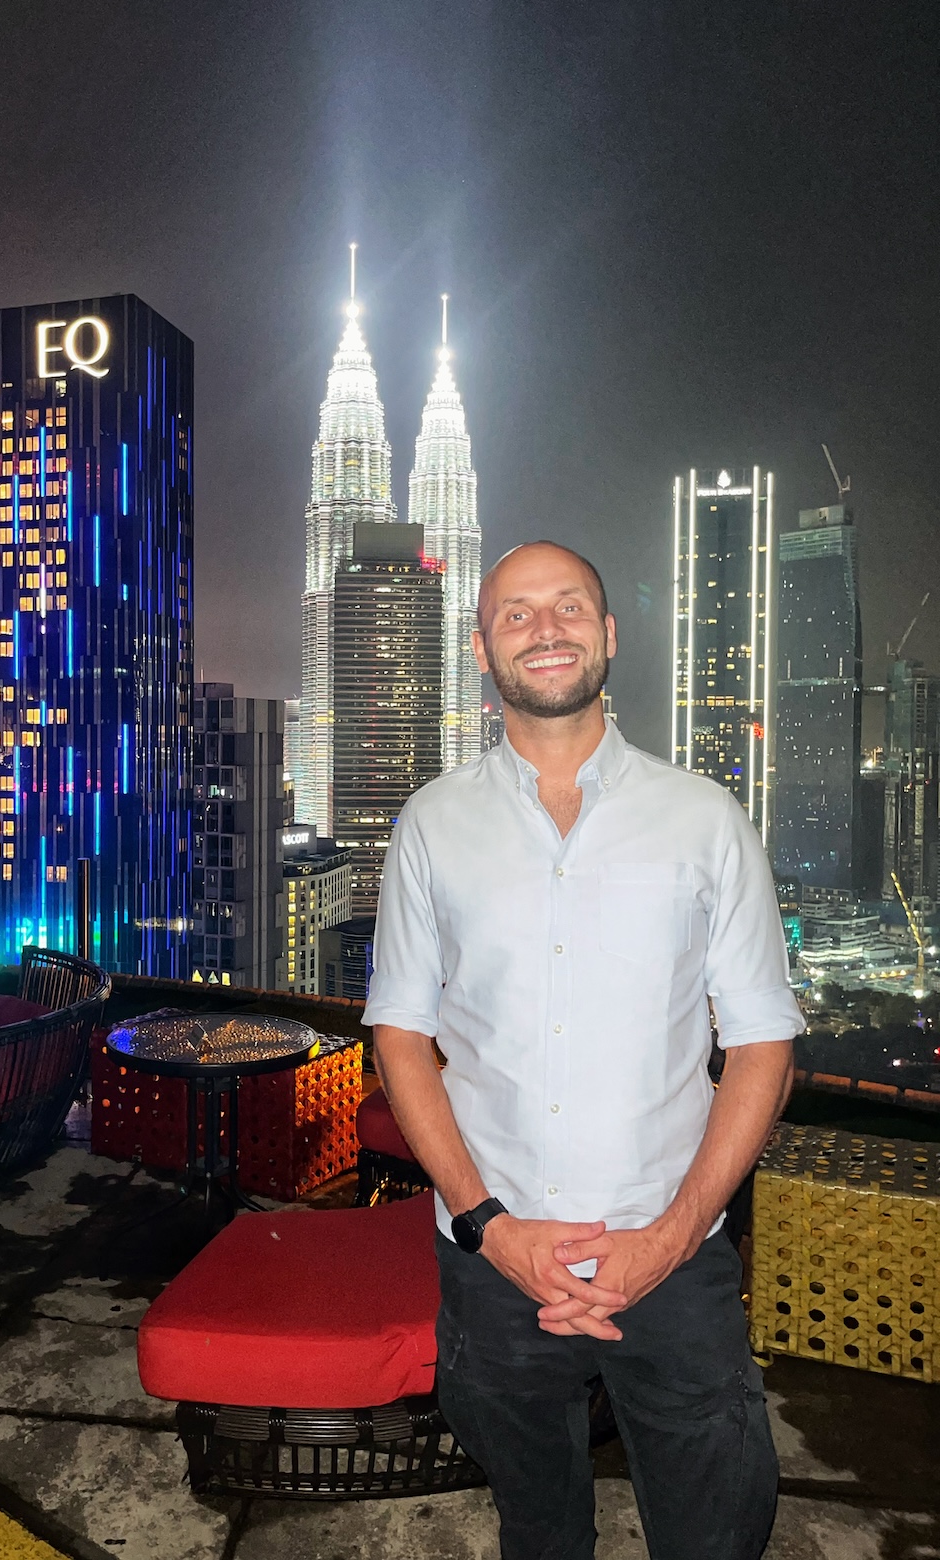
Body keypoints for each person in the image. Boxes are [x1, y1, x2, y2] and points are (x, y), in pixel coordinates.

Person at [363, 540, 800, 1560]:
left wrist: (677, 1234)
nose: (545, 628)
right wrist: (488, 1225)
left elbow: (763, 1044)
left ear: (607, 636)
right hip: (493, 1254)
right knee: (537, 1516)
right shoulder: (431, 825)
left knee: (716, 1517)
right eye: (517, 613)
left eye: (569, 608)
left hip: (674, 1246)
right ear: (482, 648)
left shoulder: (704, 819)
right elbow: (400, 1034)